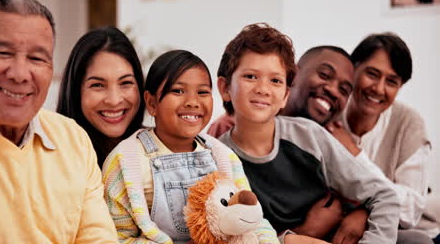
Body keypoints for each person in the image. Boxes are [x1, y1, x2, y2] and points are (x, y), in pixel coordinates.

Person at [216, 23, 400, 243]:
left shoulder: (309, 135)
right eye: (251, 77)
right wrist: (290, 239)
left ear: (286, 93)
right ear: (225, 88)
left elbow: (383, 195)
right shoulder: (217, 158)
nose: (263, 88)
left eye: (275, 80)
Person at [0, 0, 117, 243]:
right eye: (3, 53)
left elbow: (98, 237)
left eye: (37, 58)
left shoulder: (72, 139)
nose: (19, 74)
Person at [102, 50, 279, 243]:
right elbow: (117, 237)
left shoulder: (223, 157)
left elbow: (251, 219)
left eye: (202, 92)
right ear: (151, 103)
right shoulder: (127, 161)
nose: (193, 102)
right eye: (178, 91)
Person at [327, 32, 437, 244]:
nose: (378, 88)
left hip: (391, 229)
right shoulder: (330, 111)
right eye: (372, 74)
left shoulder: (409, 124)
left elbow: (411, 211)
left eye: (391, 81)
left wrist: (355, 154)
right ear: (353, 69)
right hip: (333, 223)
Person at [207, 45, 354, 138]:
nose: (334, 91)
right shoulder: (231, 129)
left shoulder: (330, 143)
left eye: (344, 90)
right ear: (294, 74)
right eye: (324, 75)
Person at [57, 26, 145, 168]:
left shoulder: (160, 150)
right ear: (75, 91)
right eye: (98, 85)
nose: (114, 100)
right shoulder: (53, 157)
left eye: (126, 83)